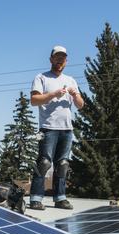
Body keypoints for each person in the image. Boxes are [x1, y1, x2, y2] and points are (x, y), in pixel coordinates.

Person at [29, 45, 84, 211]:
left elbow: (81, 105)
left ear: (66, 61)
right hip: (48, 128)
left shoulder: (71, 80)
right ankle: (35, 198)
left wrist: (75, 95)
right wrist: (54, 94)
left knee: (63, 164)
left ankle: (60, 198)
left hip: (67, 129)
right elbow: (34, 100)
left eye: (63, 58)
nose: (60, 60)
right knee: (44, 163)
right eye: (57, 57)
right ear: (51, 59)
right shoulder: (42, 78)